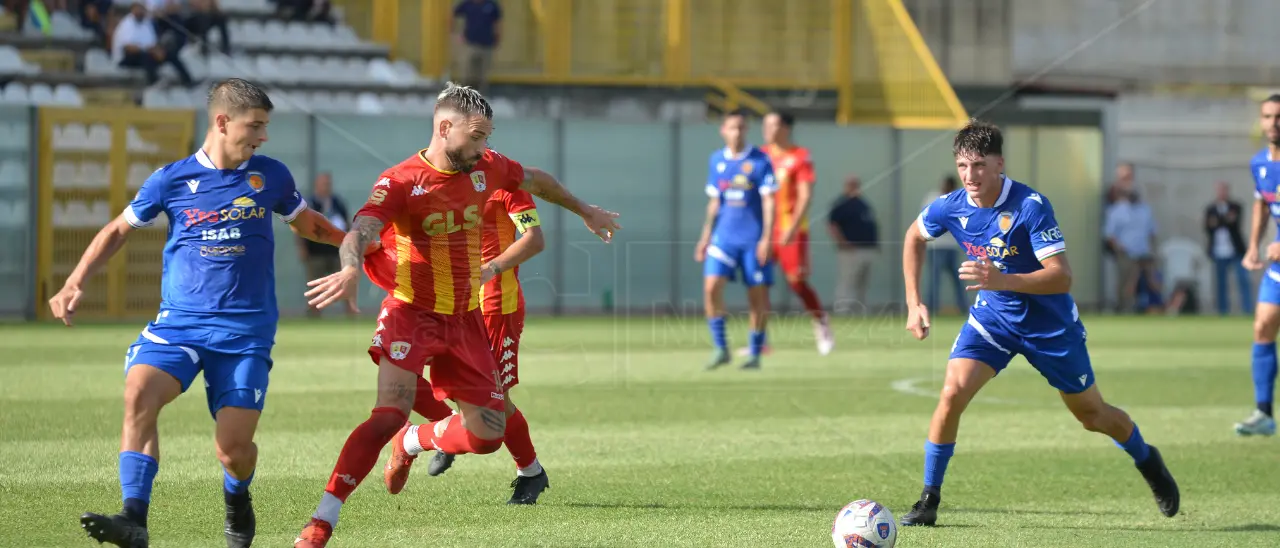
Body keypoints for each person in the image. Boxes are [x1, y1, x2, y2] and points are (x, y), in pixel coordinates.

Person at [293, 82, 620, 547]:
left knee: (488, 434)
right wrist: (349, 268)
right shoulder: (400, 181)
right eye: (477, 136)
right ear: (445, 128)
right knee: (388, 413)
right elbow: (361, 230)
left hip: (466, 319)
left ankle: (411, 441)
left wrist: (584, 209)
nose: (483, 147)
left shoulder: (488, 168)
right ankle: (322, 519)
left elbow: (537, 180)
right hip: (410, 313)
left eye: (487, 137)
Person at [50, 78, 350, 548]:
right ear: (223, 121)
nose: (263, 136)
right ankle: (134, 518)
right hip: (180, 323)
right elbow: (118, 230)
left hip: (245, 331)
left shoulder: (271, 175)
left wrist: (353, 245)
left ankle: (237, 496)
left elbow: (306, 222)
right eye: (256, 125)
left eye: (266, 126)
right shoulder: (170, 179)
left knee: (233, 450)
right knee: (138, 394)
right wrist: (75, 280)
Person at [898, 120, 1179, 527]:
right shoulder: (951, 206)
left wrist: (1001, 279)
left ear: (1000, 164)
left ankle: (1147, 458)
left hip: (1049, 327)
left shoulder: (1030, 206)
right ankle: (928, 499)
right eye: (962, 165)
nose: (970, 176)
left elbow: (1062, 277)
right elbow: (913, 237)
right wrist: (914, 303)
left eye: (979, 165)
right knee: (951, 392)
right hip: (993, 320)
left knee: (1092, 416)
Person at [378, 186, 550, 504]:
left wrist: (491, 268)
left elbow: (534, 237)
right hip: (444, 303)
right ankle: (448, 431)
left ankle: (529, 472)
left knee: (496, 404)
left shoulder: (507, 180)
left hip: (495, 307)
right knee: (401, 373)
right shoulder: (441, 179)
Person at [695, 109, 777, 371]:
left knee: (756, 296)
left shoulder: (760, 160)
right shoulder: (716, 160)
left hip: (753, 239)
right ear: (723, 130)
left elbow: (769, 201)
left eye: (741, 127)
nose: (737, 132)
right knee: (711, 288)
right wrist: (705, 236)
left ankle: (755, 353)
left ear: (747, 130)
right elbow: (714, 202)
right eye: (732, 127)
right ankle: (721, 348)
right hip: (723, 238)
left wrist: (767, 237)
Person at [761, 110, 834, 355]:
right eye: (765, 124)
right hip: (764, 230)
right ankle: (759, 341)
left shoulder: (800, 156)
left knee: (797, 282)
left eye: (772, 124)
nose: (766, 129)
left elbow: (805, 195)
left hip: (791, 229)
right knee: (757, 282)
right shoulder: (760, 156)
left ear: (786, 128)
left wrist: (791, 228)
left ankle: (821, 323)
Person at [1237, 94, 1280, 437]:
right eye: (1267, 116)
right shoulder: (1260, 163)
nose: (1273, 123)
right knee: (1263, 325)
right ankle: (1263, 413)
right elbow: (1261, 204)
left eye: (1278, 116)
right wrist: (1253, 245)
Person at [298, 171, 356, 317]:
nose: (326, 186)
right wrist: (302, 248)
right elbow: (300, 227)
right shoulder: (309, 204)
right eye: (323, 183)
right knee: (315, 284)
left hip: (336, 251)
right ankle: (313, 313)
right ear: (316, 185)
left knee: (344, 281)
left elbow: (347, 223)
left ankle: (350, 311)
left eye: (328, 184)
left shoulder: (337, 202)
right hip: (316, 252)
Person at [828, 176, 878, 314]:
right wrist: (842, 243)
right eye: (851, 184)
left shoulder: (863, 204)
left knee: (863, 282)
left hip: (867, 249)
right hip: (851, 251)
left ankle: (860, 310)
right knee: (848, 281)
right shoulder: (841, 204)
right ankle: (843, 310)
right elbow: (833, 225)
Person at [922, 176, 969, 314]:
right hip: (936, 246)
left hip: (952, 247)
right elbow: (927, 220)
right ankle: (932, 308)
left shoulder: (959, 200)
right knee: (934, 279)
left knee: (958, 279)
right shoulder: (933, 198)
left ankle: (963, 307)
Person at [1205, 181, 1251, 316]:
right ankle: (1223, 311)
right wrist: (1225, 219)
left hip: (1236, 250)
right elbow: (1208, 227)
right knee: (1221, 284)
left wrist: (1218, 221)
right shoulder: (1211, 209)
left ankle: (1247, 309)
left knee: (1243, 280)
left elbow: (1234, 223)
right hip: (1218, 251)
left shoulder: (1235, 206)